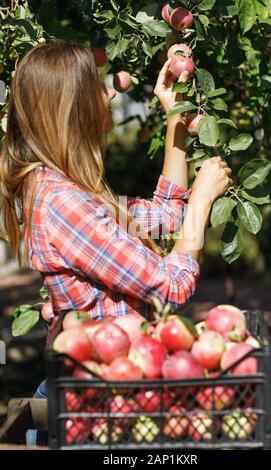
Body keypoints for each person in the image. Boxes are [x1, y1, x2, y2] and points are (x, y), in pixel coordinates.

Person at [0, 40, 232, 445]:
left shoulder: (68, 190)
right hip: (97, 408)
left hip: (111, 392)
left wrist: (175, 116)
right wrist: (202, 200)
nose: (110, 92)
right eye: (98, 86)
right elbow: (171, 287)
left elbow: (164, 218)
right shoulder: (63, 205)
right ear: (73, 107)